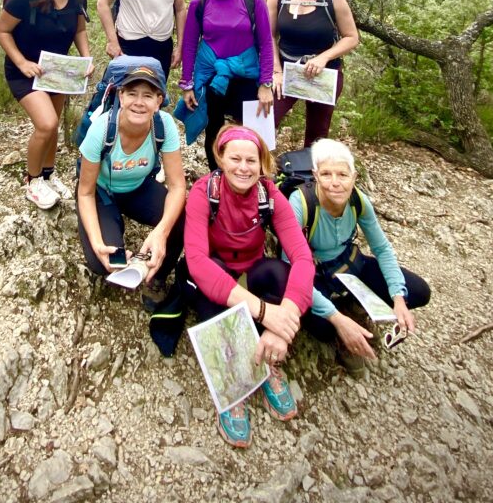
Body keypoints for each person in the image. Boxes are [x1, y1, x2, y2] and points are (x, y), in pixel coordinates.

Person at [184, 125, 315, 445]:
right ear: (221, 158)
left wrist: (283, 320)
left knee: (280, 272)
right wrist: (262, 311)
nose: (243, 167)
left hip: (250, 274)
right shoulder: (203, 191)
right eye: (235, 159)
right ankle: (233, 383)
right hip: (214, 278)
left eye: (251, 160)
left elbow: (302, 258)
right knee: (209, 280)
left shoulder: (269, 194)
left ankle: (268, 359)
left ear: (262, 164)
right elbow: (197, 261)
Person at [287, 138, 431, 371]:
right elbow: (290, 269)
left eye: (343, 175)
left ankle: (354, 308)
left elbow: (381, 248)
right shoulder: (301, 203)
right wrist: (335, 317)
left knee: (418, 292)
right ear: (315, 175)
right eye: (326, 174)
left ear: (354, 177)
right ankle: (343, 319)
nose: (335, 183)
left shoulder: (358, 200)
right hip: (312, 273)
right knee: (323, 328)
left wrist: (398, 296)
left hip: (348, 264)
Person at [76, 63, 186, 308]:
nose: (139, 102)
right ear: (121, 96)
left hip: (138, 188)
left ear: (159, 101)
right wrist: (97, 241)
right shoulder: (102, 130)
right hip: (101, 192)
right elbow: (85, 192)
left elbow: (178, 186)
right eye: (132, 93)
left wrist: (161, 232)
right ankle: (112, 226)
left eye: (148, 95)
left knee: (182, 219)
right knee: (100, 261)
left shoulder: (164, 125)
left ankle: (156, 276)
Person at [0, 0, 92, 210]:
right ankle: (33, 180)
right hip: (24, 71)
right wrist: (22, 62)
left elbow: (79, 31)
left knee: (54, 126)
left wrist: (85, 58)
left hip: (57, 69)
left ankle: (48, 174)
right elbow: (1, 30)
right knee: (46, 124)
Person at [177, 0, 274, 170]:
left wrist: (265, 83)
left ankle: (253, 178)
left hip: (246, 77)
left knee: (253, 133)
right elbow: (190, 45)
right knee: (214, 131)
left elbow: (266, 43)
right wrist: (187, 84)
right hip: (213, 79)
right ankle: (217, 178)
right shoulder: (198, 4)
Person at [267, 0, 359, 147]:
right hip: (286, 69)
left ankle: (308, 175)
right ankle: (258, 172)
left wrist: (324, 57)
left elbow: (351, 37)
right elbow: (269, 36)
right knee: (265, 120)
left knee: (317, 133)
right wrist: (276, 71)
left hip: (323, 73)